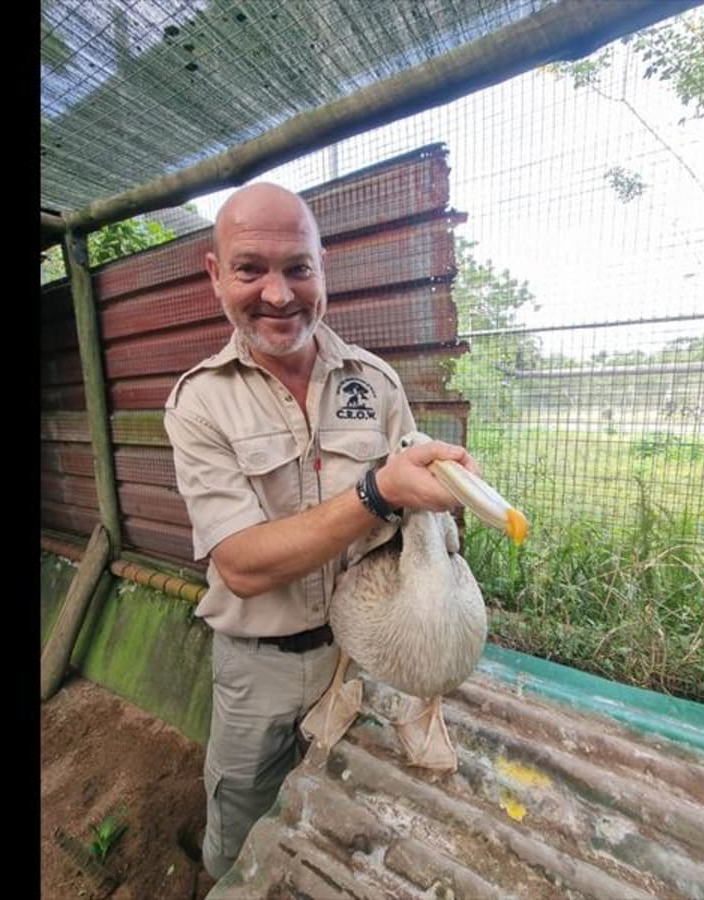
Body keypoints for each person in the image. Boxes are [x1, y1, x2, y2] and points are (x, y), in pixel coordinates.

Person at [163, 182, 478, 879]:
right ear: (216, 274)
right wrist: (377, 489)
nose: (279, 295)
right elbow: (240, 565)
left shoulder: (375, 381)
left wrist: (441, 493)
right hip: (257, 664)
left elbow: (406, 516)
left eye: (298, 268)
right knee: (240, 805)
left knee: (327, 806)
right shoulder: (199, 404)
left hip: (359, 651)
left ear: (322, 269)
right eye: (251, 269)